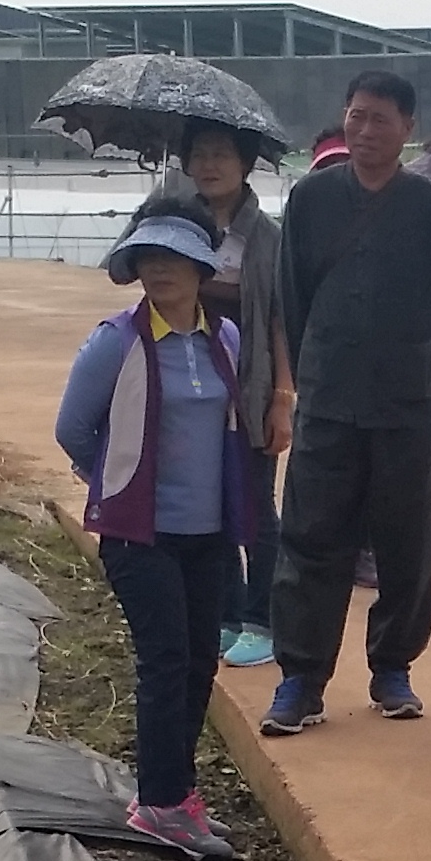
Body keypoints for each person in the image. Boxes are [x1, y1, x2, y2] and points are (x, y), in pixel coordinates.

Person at [56, 213, 269, 861]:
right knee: (165, 661)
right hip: (140, 537)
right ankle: (162, 802)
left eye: (174, 259)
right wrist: (119, 484)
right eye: (148, 257)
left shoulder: (224, 339)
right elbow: (73, 429)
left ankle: (176, 797)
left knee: (201, 659)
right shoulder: (115, 343)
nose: (160, 269)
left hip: (208, 534)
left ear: (203, 272)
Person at [259, 68, 431, 732]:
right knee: (311, 539)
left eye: (380, 119)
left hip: (406, 402)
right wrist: (294, 386)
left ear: (408, 130)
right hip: (327, 398)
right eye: (355, 116)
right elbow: (290, 298)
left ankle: (393, 667)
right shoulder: (313, 198)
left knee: (408, 542)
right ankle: (301, 679)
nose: (365, 130)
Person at [150, 116, 295, 667]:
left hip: (249, 389)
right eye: (200, 155)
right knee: (208, 503)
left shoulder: (266, 236)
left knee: (255, 506)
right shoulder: (173, 223)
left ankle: (263, 618)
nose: (209, 166)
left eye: (222, 155)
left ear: (245, 163)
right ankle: (226, 613)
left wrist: (283, 398)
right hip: (185, 388)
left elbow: (280, 320)